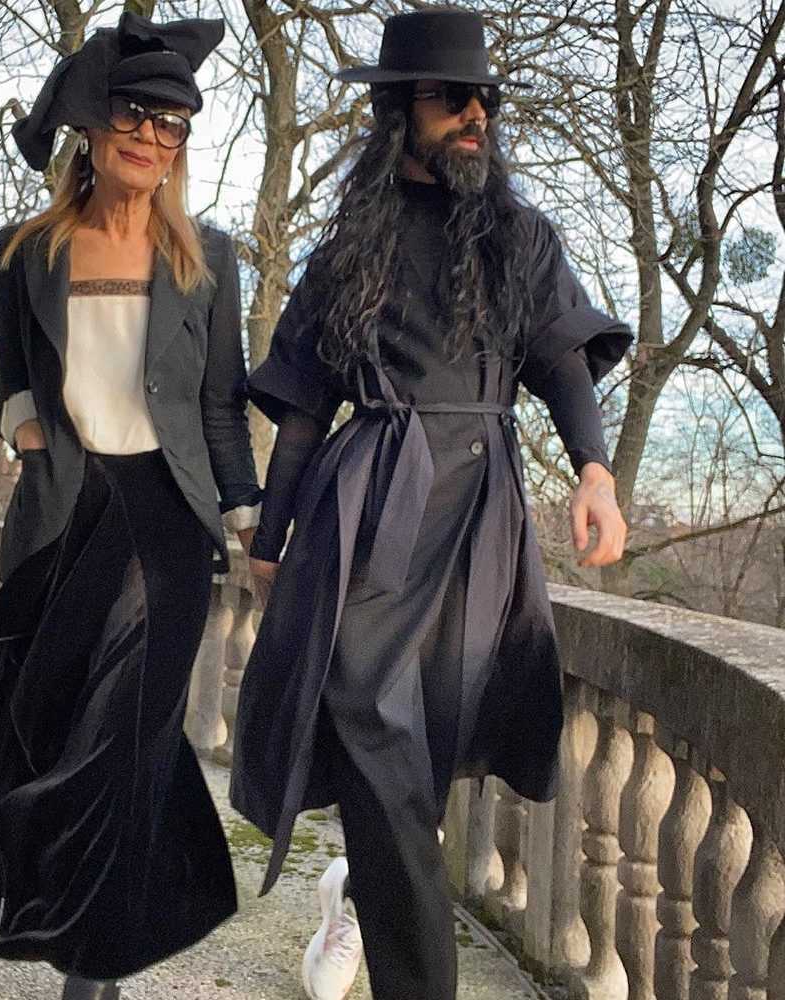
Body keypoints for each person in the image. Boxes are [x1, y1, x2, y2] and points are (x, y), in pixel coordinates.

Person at [230, 8, 633, 1000]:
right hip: (370, 503)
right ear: (401, 111)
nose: (474, 116)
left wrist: (594, 471)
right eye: (451, 99)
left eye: (483, 99)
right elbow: (303, 408)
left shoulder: (521, 239)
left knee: (433, 740)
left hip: (480, 513)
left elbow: (560, 359)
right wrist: (271, 535)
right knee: (371, 720)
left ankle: (361, 891)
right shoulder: (348, 250)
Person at [0, 13, 260, 1000]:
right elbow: (13, 378)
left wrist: (248, 522)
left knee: (126, 741)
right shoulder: (26, 251)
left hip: (166, 521)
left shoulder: (208, 258)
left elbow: (221, 405)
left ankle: (90, 972)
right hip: (63, 513)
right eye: (134, 115)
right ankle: (50, 912)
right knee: (44, 724)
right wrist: (32, 439)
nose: (151, 136)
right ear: (95, 126)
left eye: (172, 124)